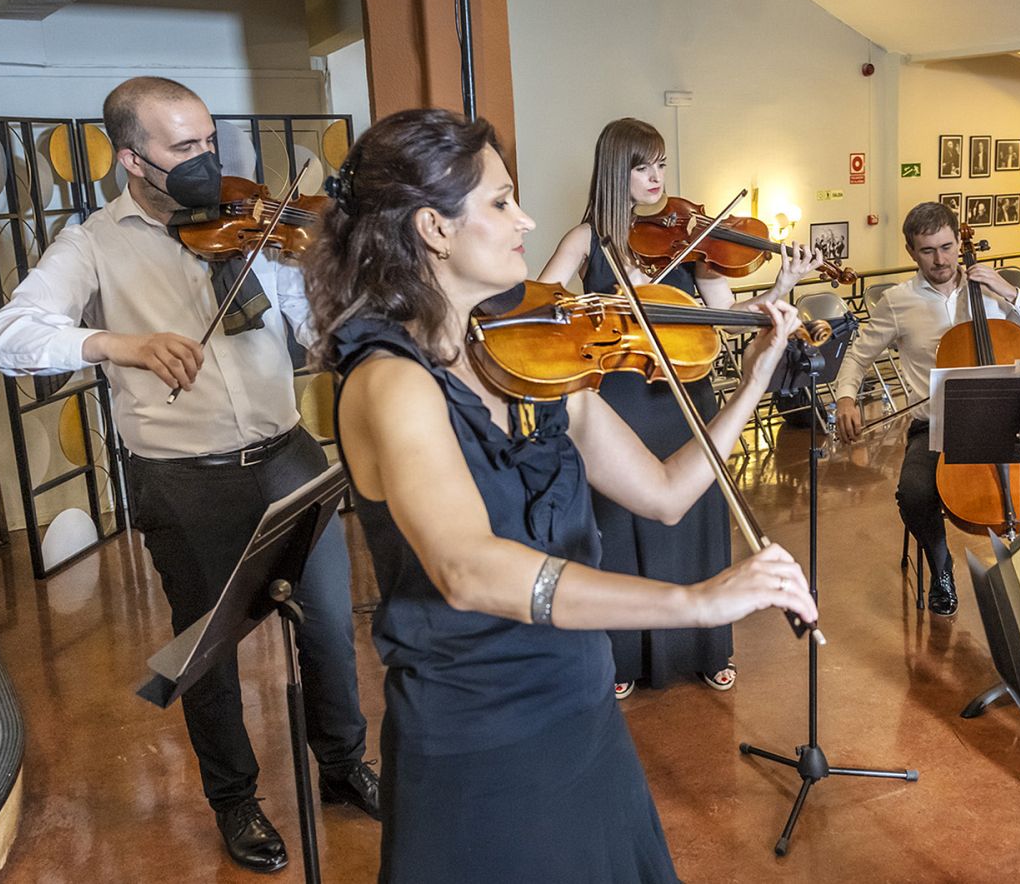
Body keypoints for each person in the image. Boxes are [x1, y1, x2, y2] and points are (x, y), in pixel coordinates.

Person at [304, 108, 817, 882]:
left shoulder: (529, 355)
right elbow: (470, 569)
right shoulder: (389, 382)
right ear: (433, 228)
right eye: (502, 202)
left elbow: (668, 493)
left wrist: (752, 382)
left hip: (579, 704)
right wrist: (693, 603)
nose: (528, 219)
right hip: (477, 732)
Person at [0, 77, 377, 874]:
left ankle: (342, 766)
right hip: (182, 480)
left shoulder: (248, 226)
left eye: (209, 140)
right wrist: (113, 344)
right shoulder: (92, 242)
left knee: (330, 629)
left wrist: (340, 299)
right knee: (209, 652)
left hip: (289, 456)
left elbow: (312, 327)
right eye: (184, 147)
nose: (207, 160)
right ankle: (235, 802)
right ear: (132, 158)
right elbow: (8, 336)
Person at [538, 118, 823, 698]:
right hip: (616, 400)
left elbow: (736, 313)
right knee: (619, 524)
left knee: (696, 517)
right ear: (617, 170)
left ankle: (707, 648)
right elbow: (543, 308)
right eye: (643, 166)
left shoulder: (692, 247)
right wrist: (589, 312)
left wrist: (784, 283)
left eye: (661, 164)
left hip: (685, 394)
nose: (656, 177)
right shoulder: (584, 241)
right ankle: (624, 656)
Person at [832, 201, 1020, 616]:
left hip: (1003, 423)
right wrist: (845, 396)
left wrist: (1009, 292)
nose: (941, 260)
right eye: (928, 251)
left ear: (957, 240)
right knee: (913, 494)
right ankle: (941, 566)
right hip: (935, 426)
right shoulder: (897, 302)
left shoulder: (991, 289)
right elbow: (858, 355)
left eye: (948, 247)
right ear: (912, 252)